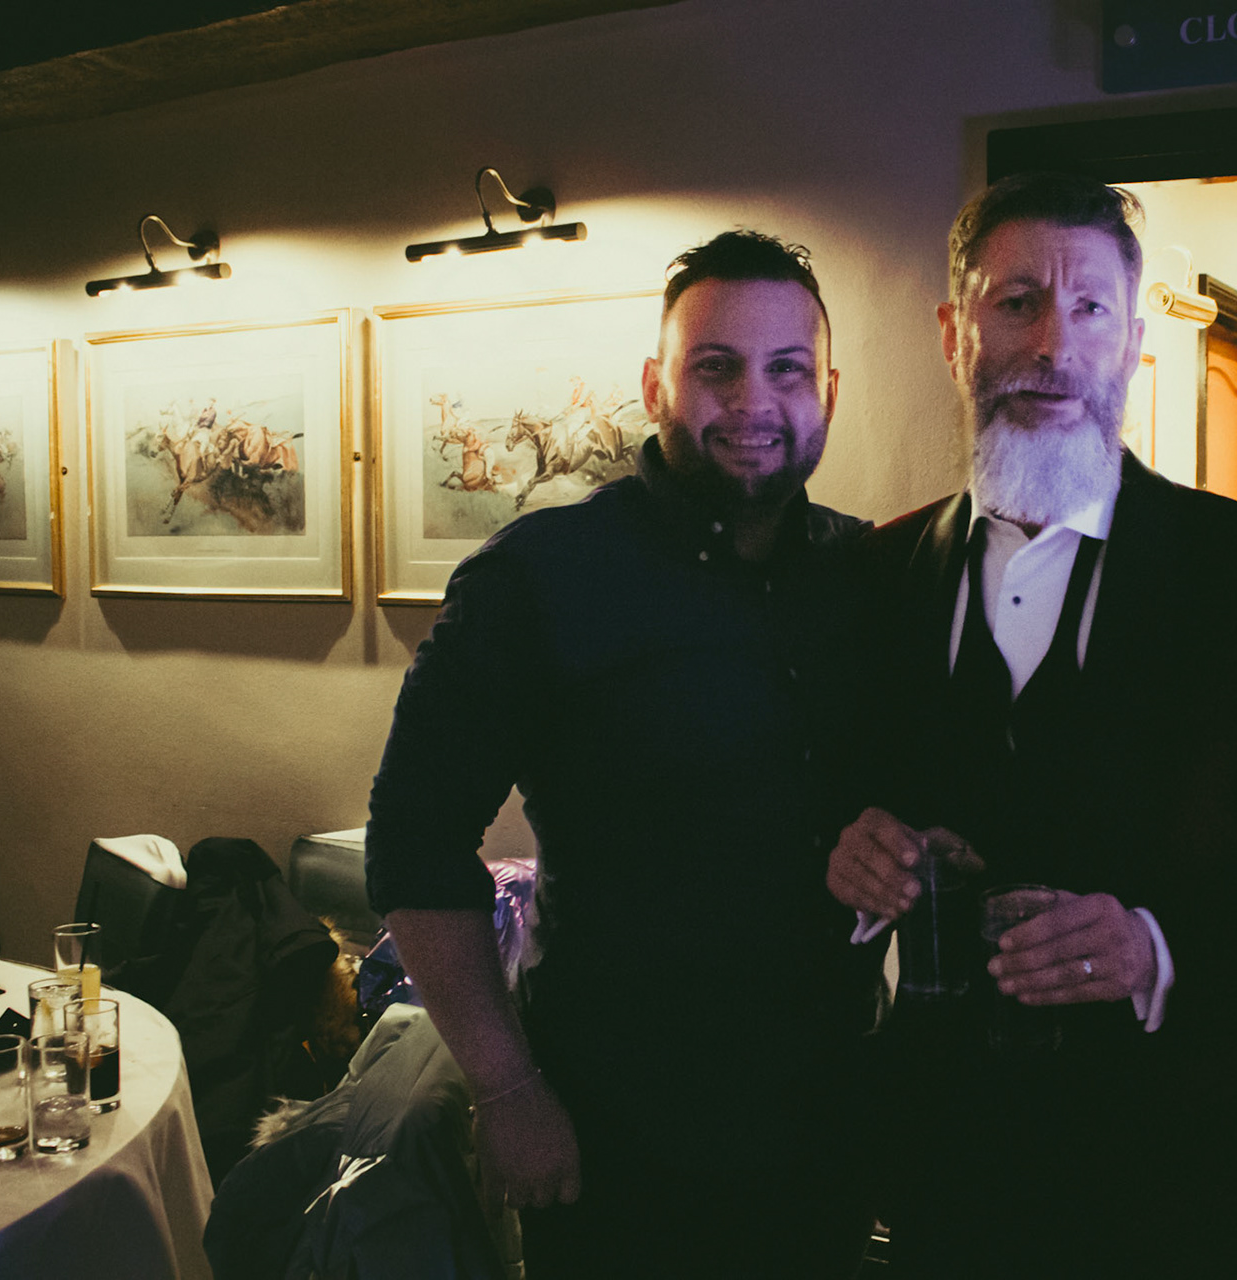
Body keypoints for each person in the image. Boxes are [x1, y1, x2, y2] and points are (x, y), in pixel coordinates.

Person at [826, 174, 1237, 1278]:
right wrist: (847, 855)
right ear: (953, 333)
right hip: (949, 1172)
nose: (1054, 343)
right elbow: (836, 800)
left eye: (1090, 308)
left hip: (1184, 1174)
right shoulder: (874, 573)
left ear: (1133, 342)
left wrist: (1154, 946)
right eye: (1017, 302)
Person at [363, 231, 884, 1278]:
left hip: (825, 1124)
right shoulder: (540, 576)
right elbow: (413, 843)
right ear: (655, 387)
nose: (754, 401)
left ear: (828, 392)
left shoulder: (872, 574)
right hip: (612, 1133)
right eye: (716, 366)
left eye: (788, 369)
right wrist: (508, 1089)